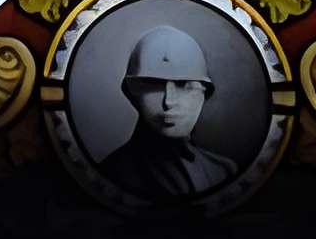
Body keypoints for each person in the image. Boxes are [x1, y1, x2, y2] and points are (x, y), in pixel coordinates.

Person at [97, 24, 238, 201]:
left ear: (205, 93)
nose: (169, 101)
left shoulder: (222, 170)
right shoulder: (111, 173)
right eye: (153, 85)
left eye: (185, 85)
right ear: (132, 93)